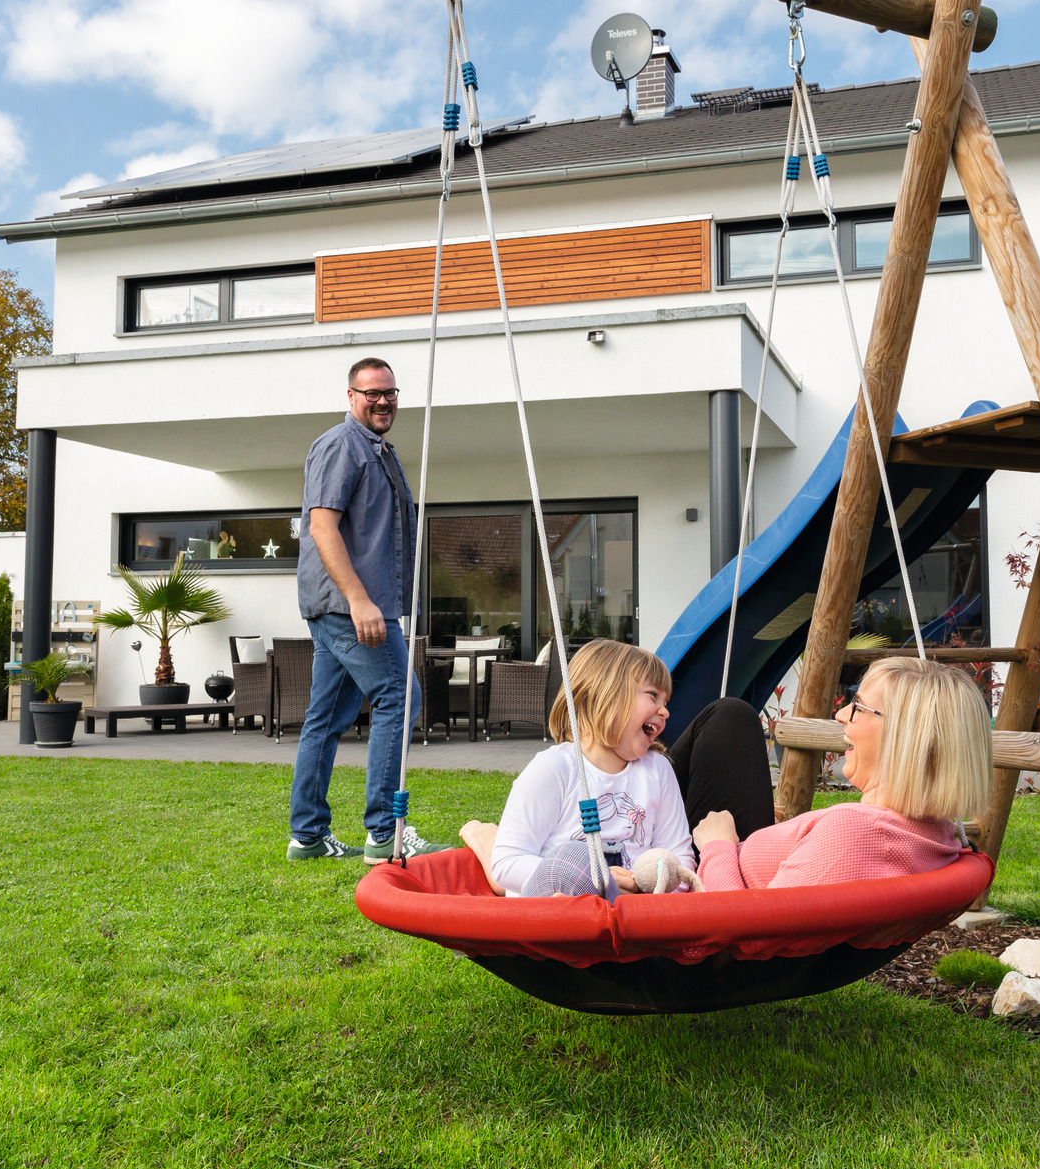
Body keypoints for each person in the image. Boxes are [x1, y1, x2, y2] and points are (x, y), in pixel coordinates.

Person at [287, 357, 452, 862]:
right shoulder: (341, 445)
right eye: (372, 393)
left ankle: (308, 836)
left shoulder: (380, 451)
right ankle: (385, 833)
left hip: (354, 606)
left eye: (391, 393)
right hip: (350, 607)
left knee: (327, 717)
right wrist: (361, 601)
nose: (383, 401)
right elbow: (322, 526)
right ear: (351, 396)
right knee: (399, 699)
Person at [682, 657, 990, 890]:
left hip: (699, 896)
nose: (842, 714)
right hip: (745, 863)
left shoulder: (850, 836)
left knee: (727, 718)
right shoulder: (938, 834)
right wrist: (785, 836)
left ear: (904, 737)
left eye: (858, 707)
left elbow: (740, 934)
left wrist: (716, 845)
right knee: (731, 718)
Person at [460, 640, 695, 897]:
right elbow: (506, 863)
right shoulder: (556, 768)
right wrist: (599, 877)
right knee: (575, 862)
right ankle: (486, 839)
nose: (665, 712)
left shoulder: (658, 770)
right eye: (653, 696)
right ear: (604, 695)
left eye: (666, 701)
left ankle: (488, 838)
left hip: (633, 912)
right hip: (562, 907)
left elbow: (679, 859)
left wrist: (656, 891)